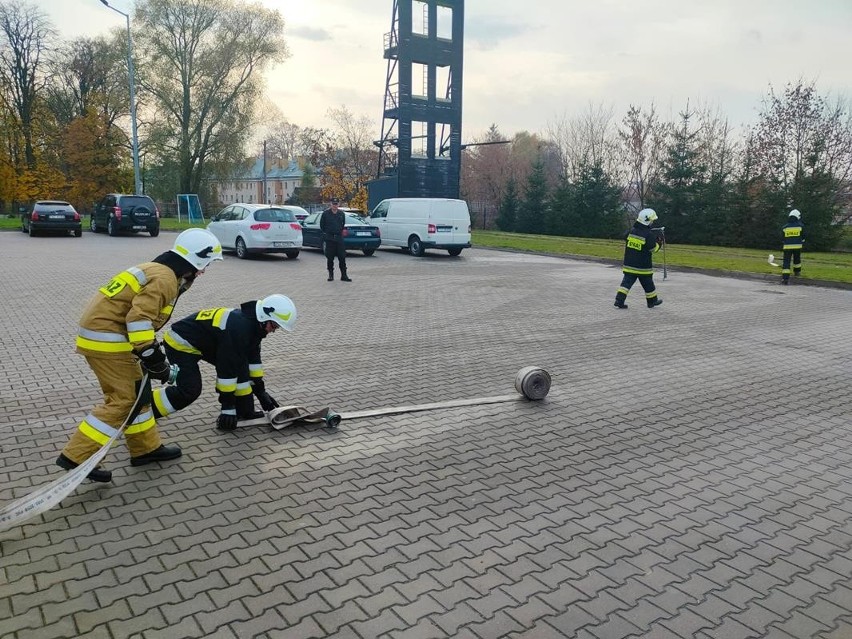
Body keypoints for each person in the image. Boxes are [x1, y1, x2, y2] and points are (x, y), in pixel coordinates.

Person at [57, 228, 224, 482]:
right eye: (206, 265)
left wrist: (148, 353)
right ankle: (78, 458)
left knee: (140, 396)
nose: (203, 272)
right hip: (109, 341)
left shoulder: (159, 270)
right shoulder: (166, 278)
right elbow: (138, 319)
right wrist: (152, 355)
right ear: (196, 259)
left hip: (109, 337)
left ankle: (146, 449)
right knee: (123, 400)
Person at [151, 294, 297, 431]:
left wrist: (261, 391)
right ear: (264, 318)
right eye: (274, 326)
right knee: (189, 390)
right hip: (180, 343)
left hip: (204, 343)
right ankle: (146, 409)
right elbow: (226, 371)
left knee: (241, 367)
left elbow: (253, 361)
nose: (273, 331)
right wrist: (228, 408)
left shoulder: (254, 327)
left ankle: (245, 410)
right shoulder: (240, 329)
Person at [614, 208, 664, 309]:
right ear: (647, 221)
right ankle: (652, 301)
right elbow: (653, 249)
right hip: (643, 267)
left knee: (625, 285)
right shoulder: (648, 235)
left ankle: (619, 301)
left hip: (629, 265)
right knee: (648, 285)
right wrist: (659, 242)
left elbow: (625, 237)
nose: (652, 222)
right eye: (652, 220)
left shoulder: (631, 231)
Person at [320, 197, 351, 282]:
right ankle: (331, 275)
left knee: (342, 257)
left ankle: (344, 275)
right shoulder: (325, 214)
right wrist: (327, 234)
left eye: (336, 204)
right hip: (330, 238)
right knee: (330, 258)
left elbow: (342, 224)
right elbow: (322, 226)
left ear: (338, 204)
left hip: (339, 238)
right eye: (333, 204)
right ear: (330, 204)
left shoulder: (341, 214)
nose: (335, 205)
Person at [781, 209, 804, 285]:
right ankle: (797, 272)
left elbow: (782, 238)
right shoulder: (800, 226)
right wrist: (802, 241)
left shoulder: (785, 227)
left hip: (787, 247)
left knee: (786, 262)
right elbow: (803, 236)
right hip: (797, 247)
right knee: (797, 260)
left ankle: (785, 278)